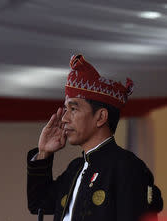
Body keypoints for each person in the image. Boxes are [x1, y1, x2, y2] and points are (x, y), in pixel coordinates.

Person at [27, 54, 163, 221]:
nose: (64, 118)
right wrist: (43, 153)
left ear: (100, 117)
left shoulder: (127, 168)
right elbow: (38, 204)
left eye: (73, 109)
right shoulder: (75, 168)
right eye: (65, 109)